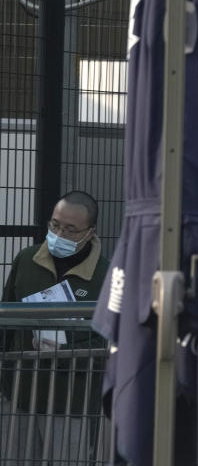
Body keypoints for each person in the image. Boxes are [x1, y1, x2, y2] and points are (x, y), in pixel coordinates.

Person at [1, 191, 108, 462]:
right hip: (21, 396)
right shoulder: (27, 260)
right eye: (55, 225)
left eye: (71, 229)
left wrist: (66, 348)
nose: (59, 233)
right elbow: (6, 322)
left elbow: (109, 340)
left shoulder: (106, 275)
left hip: (73, 401)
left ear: (90, 232)